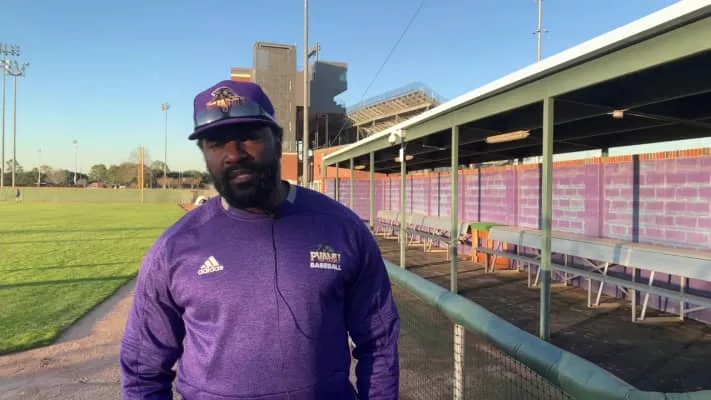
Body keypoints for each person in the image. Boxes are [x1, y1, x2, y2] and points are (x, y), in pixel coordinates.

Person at [120, 80, 400, 400]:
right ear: (204, 155)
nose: (233, 154)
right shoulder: (175, 247)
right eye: (216, 143)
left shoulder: (342, 228)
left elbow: (379, 342)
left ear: (277, 141)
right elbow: (143, 367)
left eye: (249, 136)